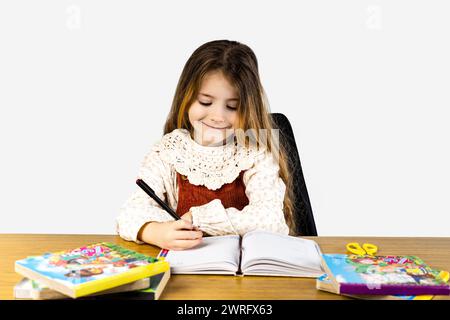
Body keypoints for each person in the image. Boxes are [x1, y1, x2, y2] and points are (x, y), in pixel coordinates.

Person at [116, 40, 296, 250]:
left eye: (232, 106)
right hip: (187, 273)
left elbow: (271, 221)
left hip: (246, 274)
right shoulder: (168, 151)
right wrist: (155, 231)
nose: (218, 116)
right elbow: (129, 214)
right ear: (187, 97)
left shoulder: (255, 150)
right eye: (205, 102)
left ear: (248, 108)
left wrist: (199, 218)